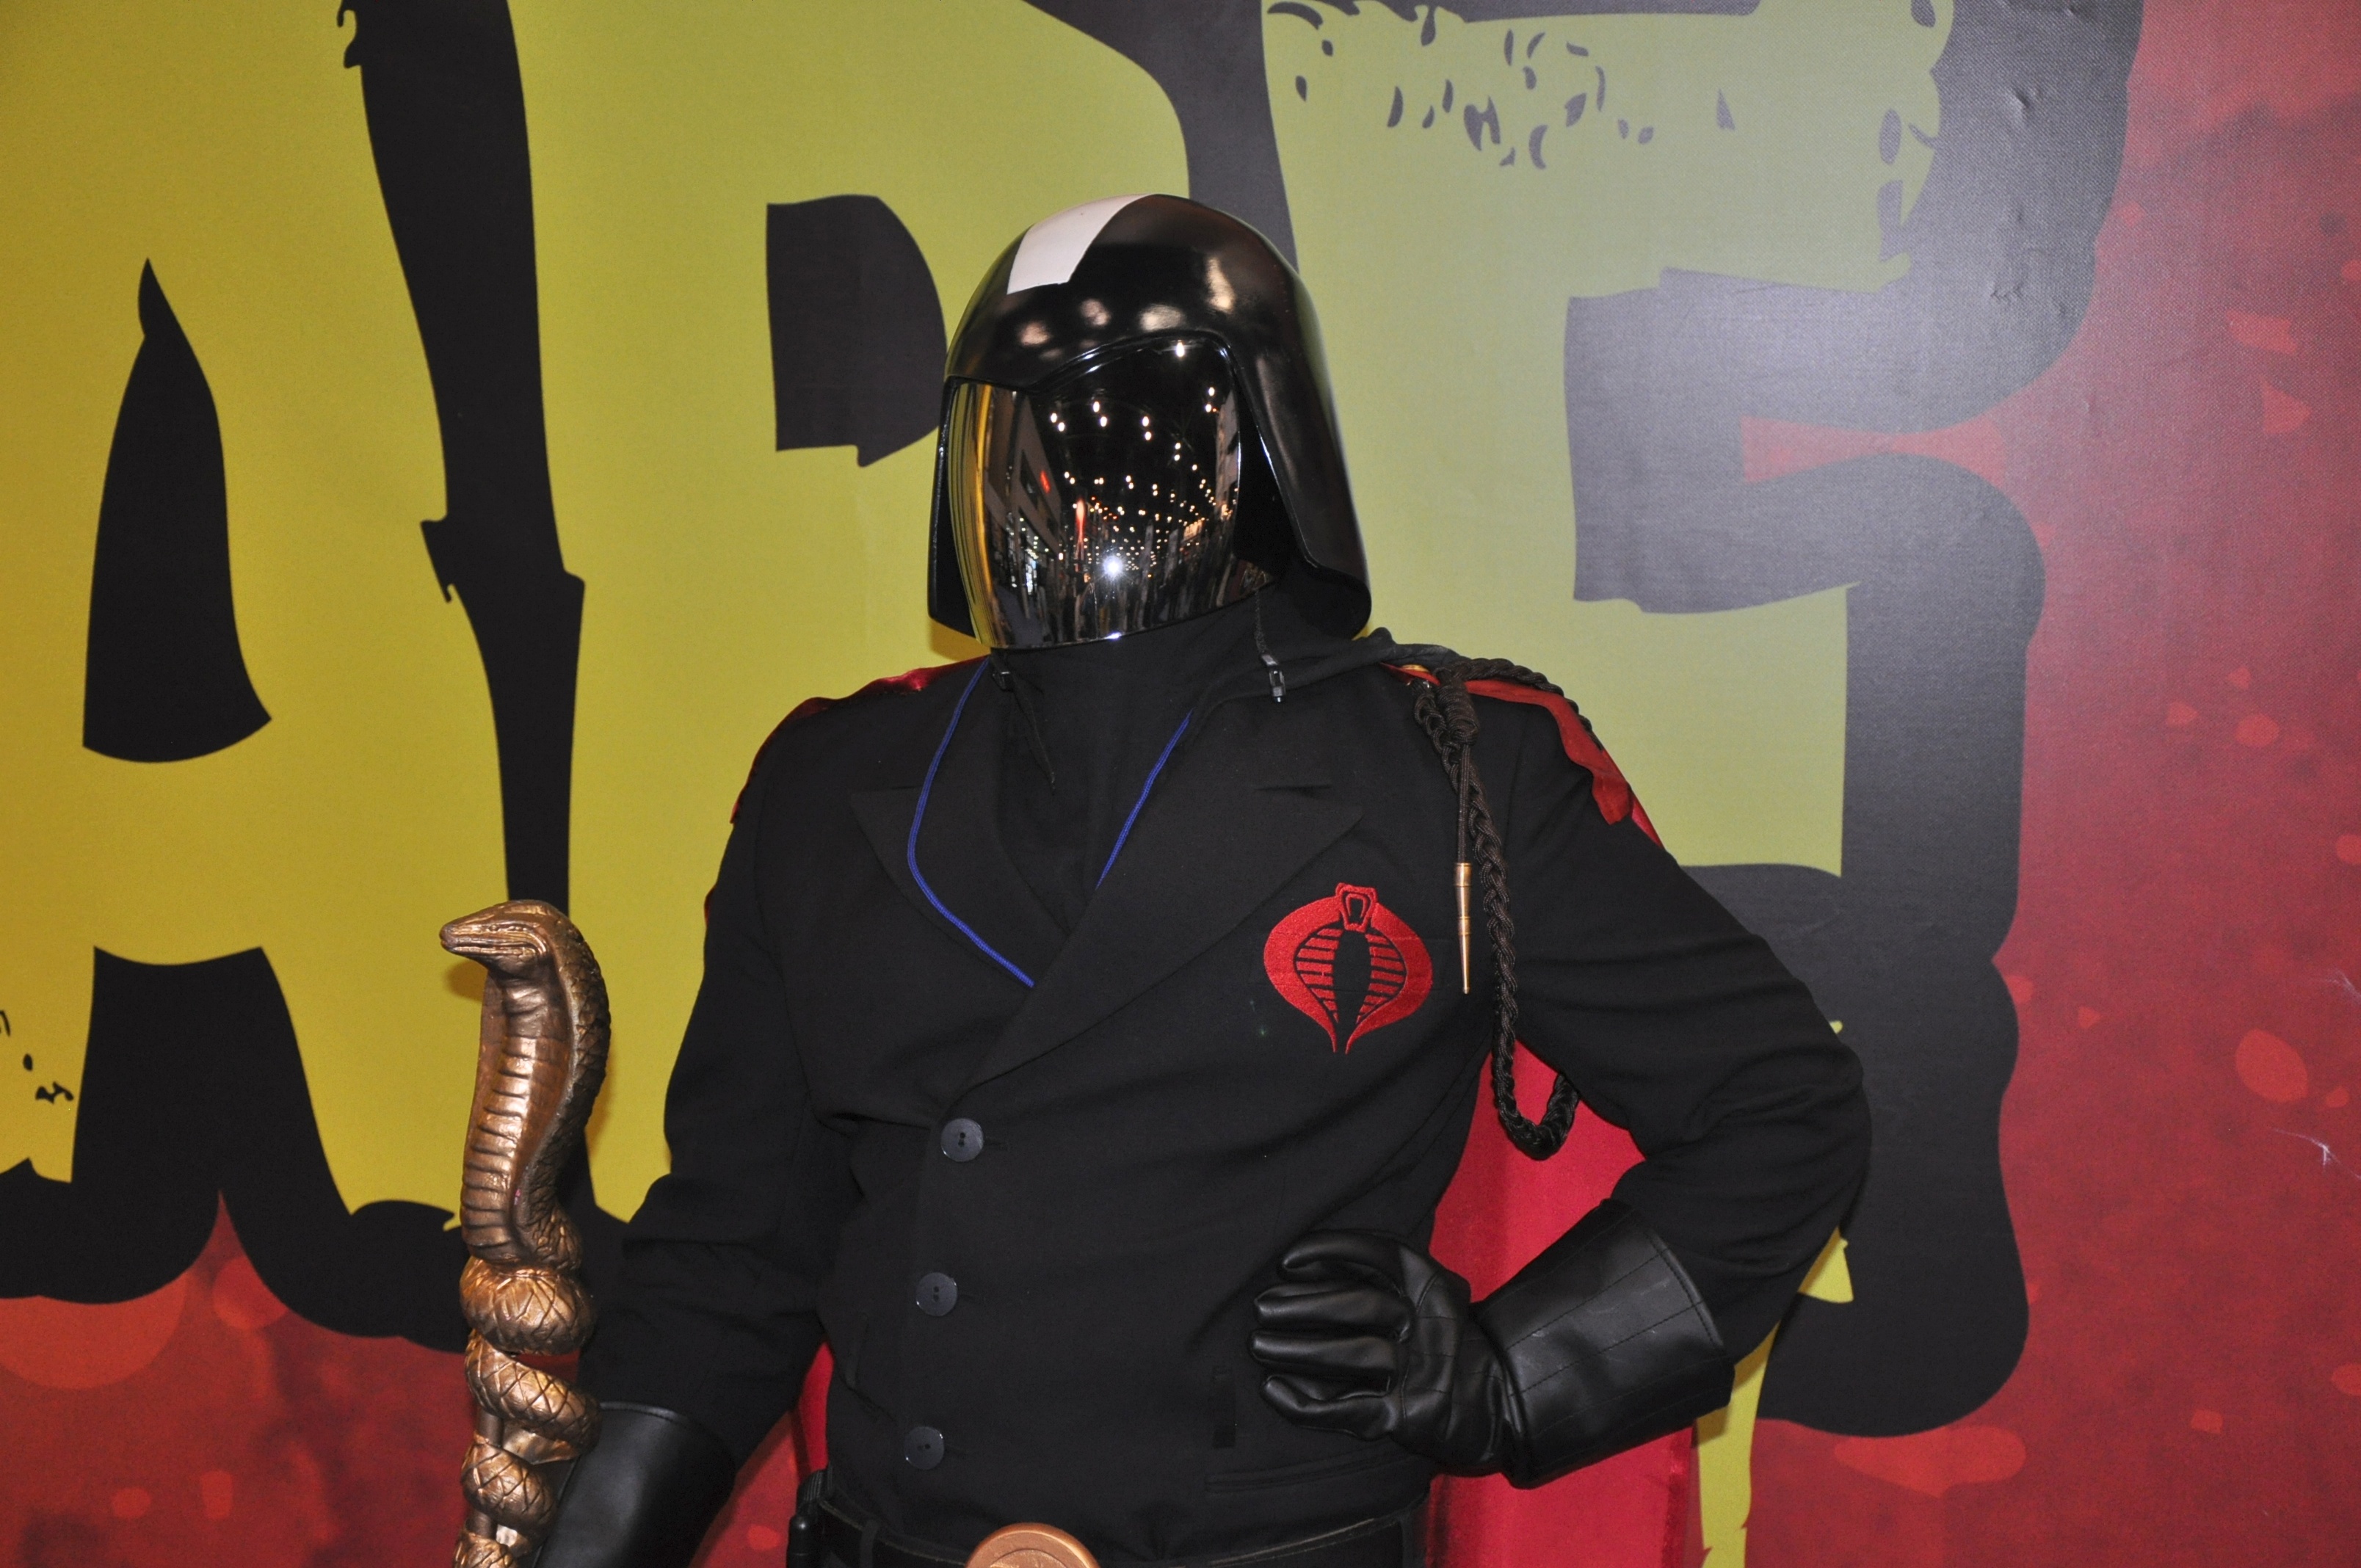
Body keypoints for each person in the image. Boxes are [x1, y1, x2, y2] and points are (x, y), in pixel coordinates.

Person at [539, 195, 1868, 1568]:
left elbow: (1786, 1105)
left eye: (1139, 437)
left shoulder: (1449, 780)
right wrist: (590, 1541)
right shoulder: (830, 783)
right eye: (1023, 441)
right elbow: (738, 1250)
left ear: (1273, 453)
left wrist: (1509, 1373)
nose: (1078, 494)